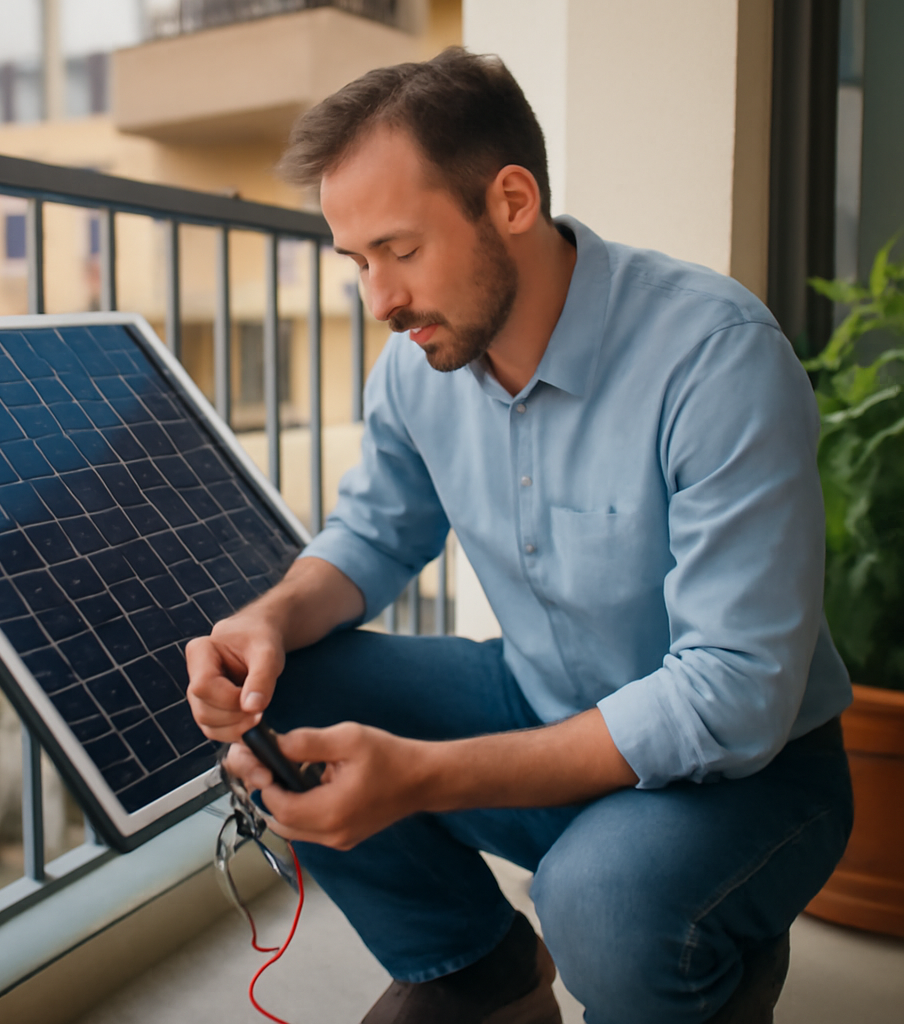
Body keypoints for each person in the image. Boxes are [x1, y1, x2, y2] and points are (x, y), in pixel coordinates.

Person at [185, 47, 853, 1024]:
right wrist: (270, 618)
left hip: (754, 771)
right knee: (285, 691)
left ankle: (705, 958)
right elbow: (370, 535)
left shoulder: (714, 358)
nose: (379, 302)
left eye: (400, 250)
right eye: (358, 262)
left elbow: (733, 693)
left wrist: (420, 776)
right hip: (539, 699)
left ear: (509, 200)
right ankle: (472, 969)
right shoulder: (419, 365)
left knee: (600, 902)